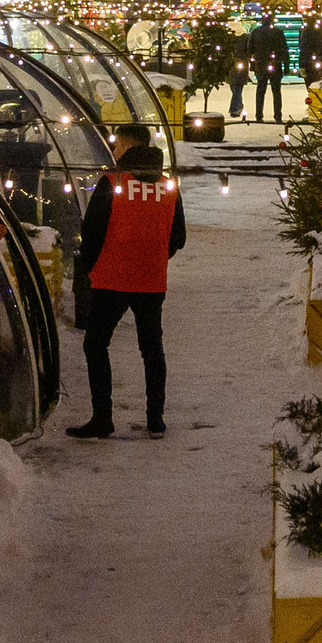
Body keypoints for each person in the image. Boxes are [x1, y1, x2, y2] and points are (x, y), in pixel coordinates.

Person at [70, 124, 187, 437]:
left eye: (118, 145)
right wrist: (153, 256)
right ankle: (155, 420)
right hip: (152, 281)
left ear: (128, 147)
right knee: (152, 349)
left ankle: (102, 418)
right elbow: (178, 238)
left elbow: (91, 233)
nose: (115, 151)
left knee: (96, 344)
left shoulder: (113, 182)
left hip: (111, 279)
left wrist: (91, 267)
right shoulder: (168, 186)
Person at [248, 14, 289, 122]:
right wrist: (286, 65)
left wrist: (253, 64)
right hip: (275, 64)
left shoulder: (256, 32)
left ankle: (259, 115)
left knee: (261, 91)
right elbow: (284, 49)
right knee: (276, 92)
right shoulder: (278, 32)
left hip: (261, 64)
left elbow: (250, 49)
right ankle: (278, 115)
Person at [299, 17, 322, 87]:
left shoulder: (305, 31)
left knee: (311, 81)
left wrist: (302, 65)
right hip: (317, 58)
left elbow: (303, 48)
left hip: (310, 60)